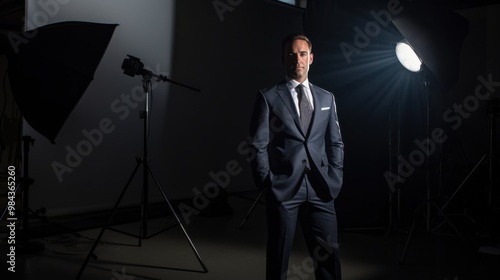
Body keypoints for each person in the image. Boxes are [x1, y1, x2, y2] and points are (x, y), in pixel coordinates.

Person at [249, 33, 344, 280]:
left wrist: (336, 176)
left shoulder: (326, 98)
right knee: (279, 257)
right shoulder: (268, 97)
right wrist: (266, 182)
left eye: (302, 54)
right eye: (291, 54)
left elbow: (335, 142)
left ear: (311, 58)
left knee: (328, 257)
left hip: (321, 186)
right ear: (283, 59)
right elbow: (258, 144)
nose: (297, 59)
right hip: (283, 187)